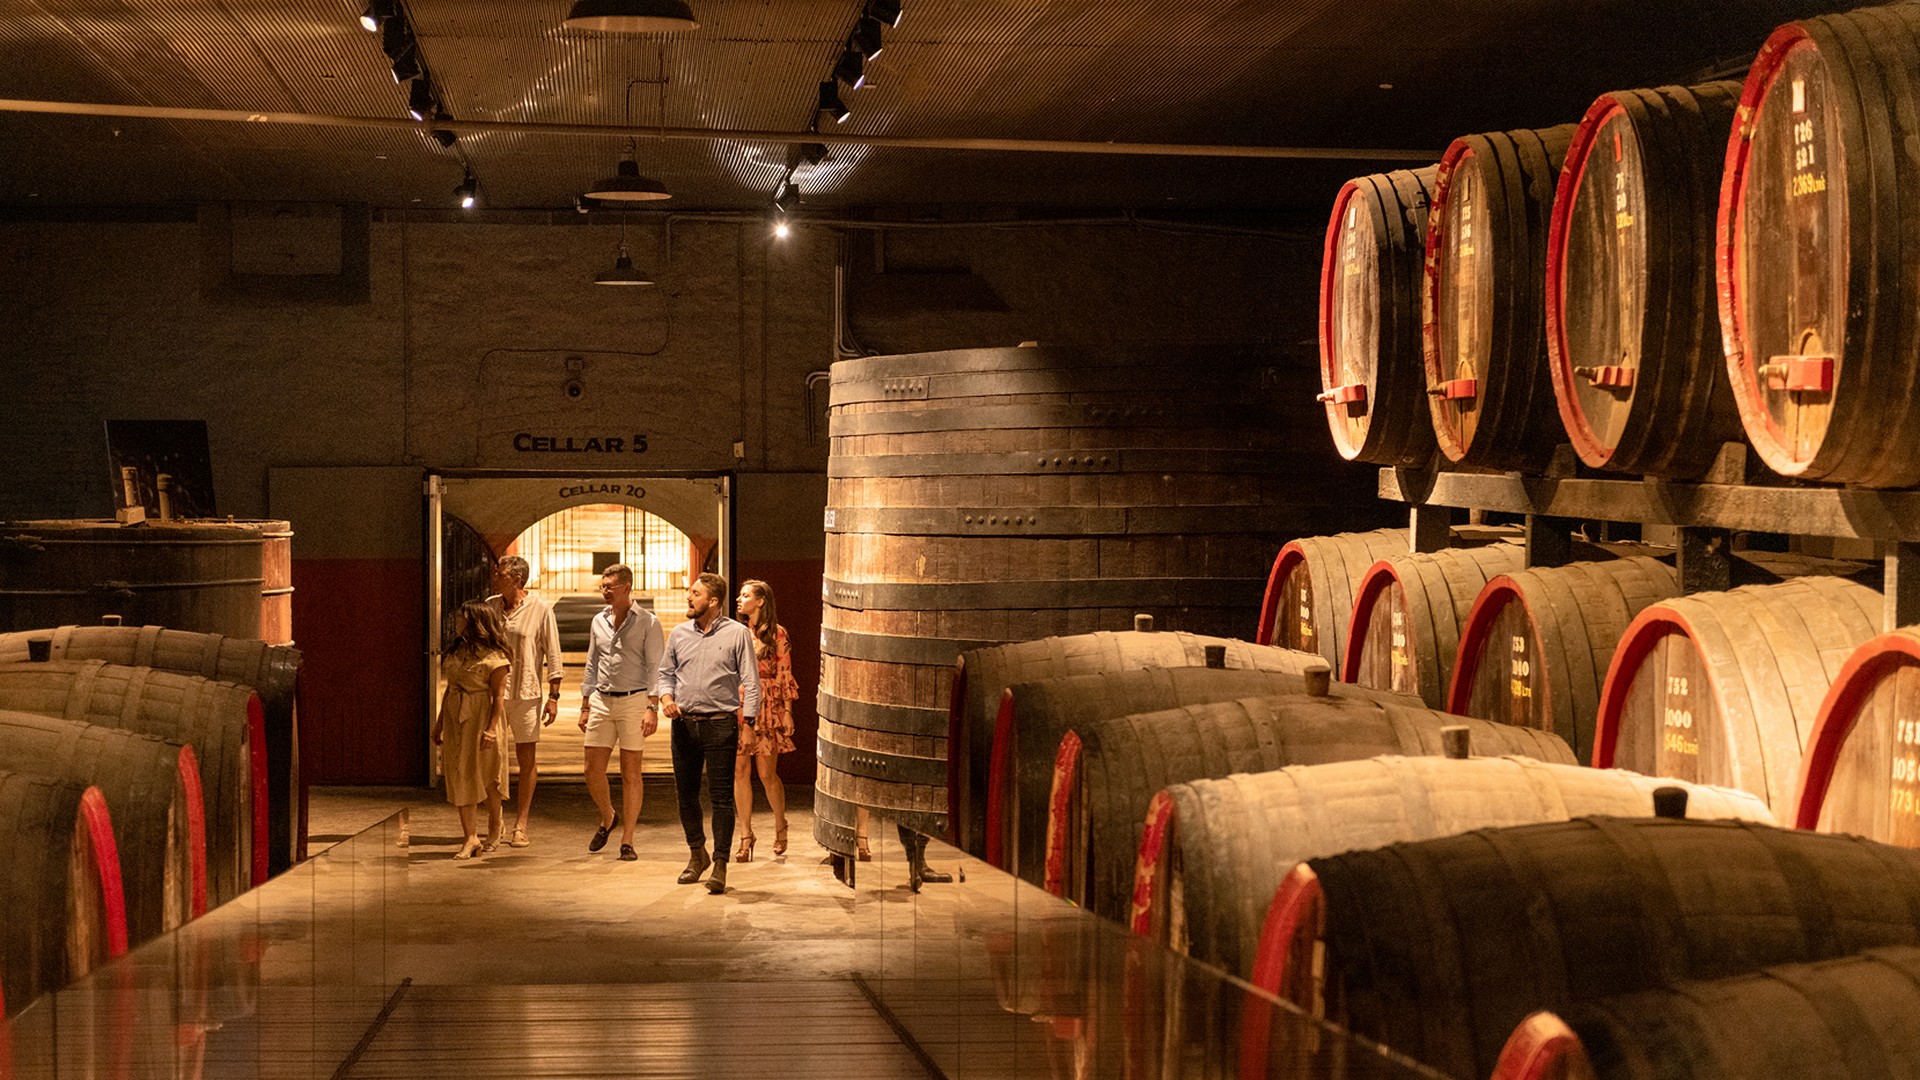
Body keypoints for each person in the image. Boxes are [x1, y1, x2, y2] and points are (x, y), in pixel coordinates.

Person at [655, 572, 760, 894]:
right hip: (684, 724)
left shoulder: (737, 634)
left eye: (696, 593)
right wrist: (667, 698)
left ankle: (722, 863)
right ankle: (696, 853)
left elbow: (751, 682)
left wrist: (750, 725)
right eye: (690, 592)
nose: (689, 597)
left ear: (713, 601)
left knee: (721, 798)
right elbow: (664, 674)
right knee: (686, 796)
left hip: (719, 724)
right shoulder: (679, 634)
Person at [579, 564, 664, 862]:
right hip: (602, 699)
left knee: (631, 773)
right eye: (602, 585)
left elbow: (656, 667)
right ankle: (608, 816)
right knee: (591, 768)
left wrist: (652, 707)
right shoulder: (598, 621)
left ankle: (627, 839)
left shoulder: (648, 622)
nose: (604, 590)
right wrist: (585, 703)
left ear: (626, 588)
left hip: (634, 700)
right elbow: (591, 662)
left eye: (610, 586)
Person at [488, 556, 563, 848]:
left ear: (517, 579)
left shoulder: (541, 609)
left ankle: (521, 823)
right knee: (491, 757)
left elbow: (553, 654)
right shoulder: (491, 605)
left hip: (527, 691)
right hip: (494, 692)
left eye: (501, 573)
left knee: (526, 758)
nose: (495, 576)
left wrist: (554, 696)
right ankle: (496, 821)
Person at [433, 599, 511, 860]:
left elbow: (499, 696)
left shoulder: (495, 657)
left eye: (462, 619)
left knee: (488, 773)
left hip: (482, 714)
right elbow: (449, 688)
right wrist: (440, 722)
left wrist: (491, 729)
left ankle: (494, 824)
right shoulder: (457, 651)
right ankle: (470, 838)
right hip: (457, 715)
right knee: (460, 772)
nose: (457, 623)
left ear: (477, 622)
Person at [731, 580, 797, 861]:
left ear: (760, 601)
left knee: (766, 774)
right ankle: (746, 835)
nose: (738, 599)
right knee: (739, 771)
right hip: (740, 703)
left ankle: (780, 825)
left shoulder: (778, 634)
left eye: (745, 595)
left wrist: (787, 710)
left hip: (767, 703)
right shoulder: (735, 632)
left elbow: (784, 673)